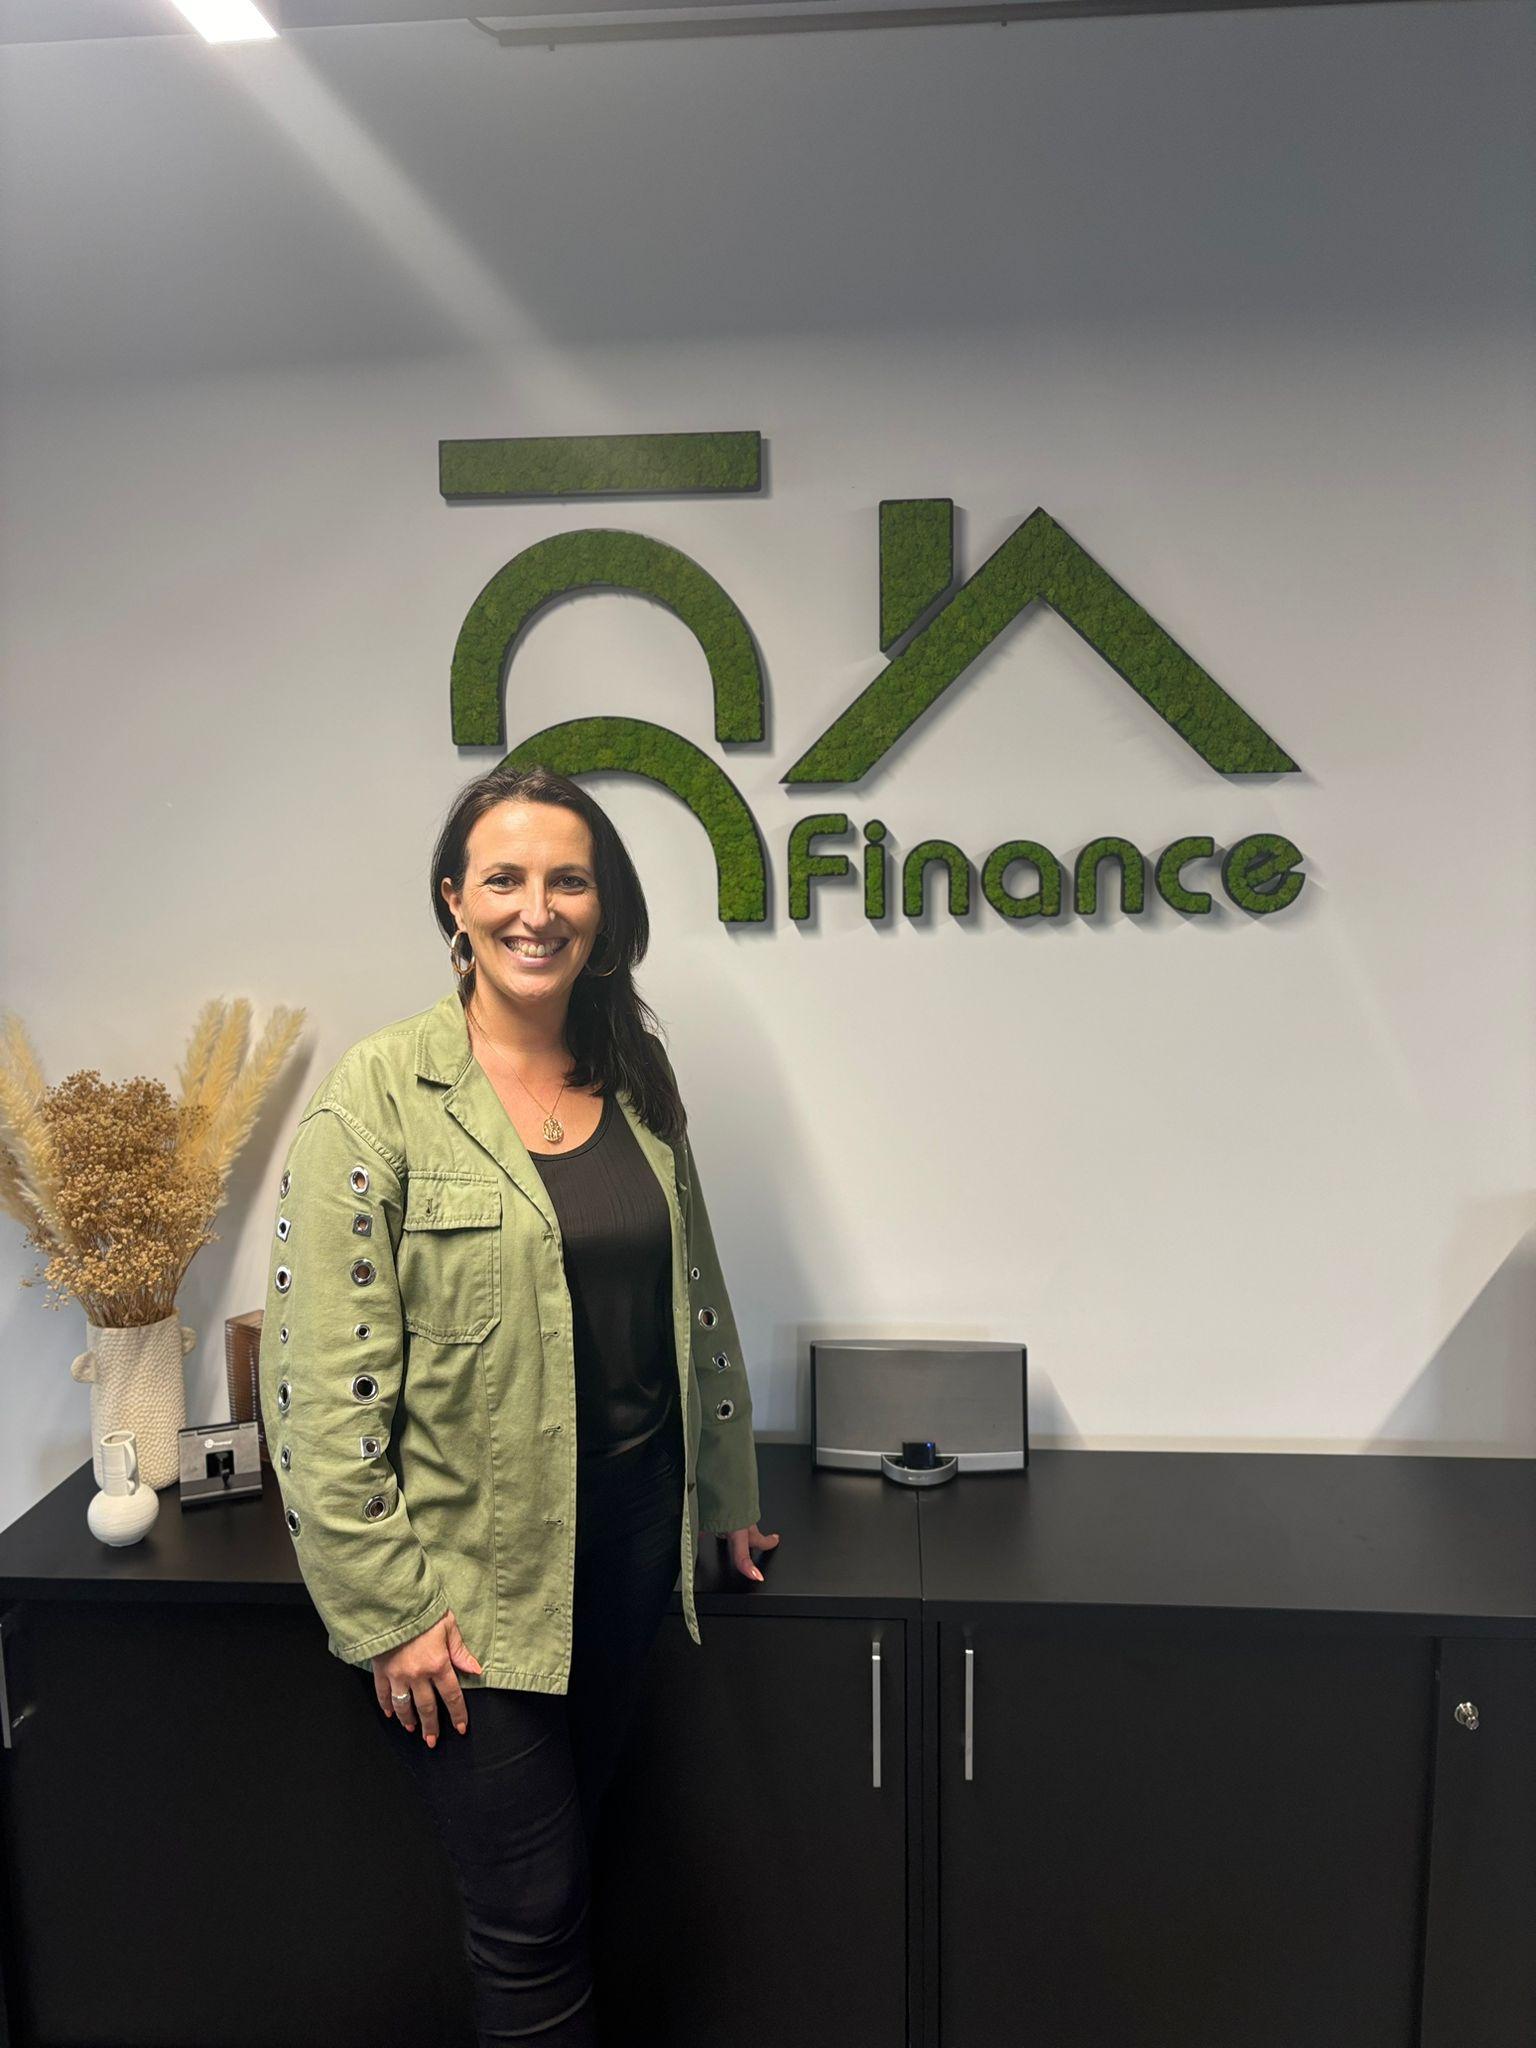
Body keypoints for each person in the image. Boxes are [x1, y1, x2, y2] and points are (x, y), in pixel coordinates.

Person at [260, 762, 780, 2047]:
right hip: (470, 1582)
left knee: (586, 1869)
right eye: (505, 878)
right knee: (532, 1914)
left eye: (568, 880)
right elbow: (317, 1383)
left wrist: (725, 1495)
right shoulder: (380, 1094)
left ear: (604, 906)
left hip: (630, 1551)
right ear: (455, 898)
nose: (536, 908)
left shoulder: (633, 1073)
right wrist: (386, 1609)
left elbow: (694, 1298)